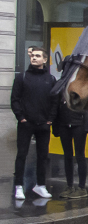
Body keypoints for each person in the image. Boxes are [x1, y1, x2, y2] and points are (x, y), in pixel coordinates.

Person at [11, 47, 58, 200]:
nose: (34, 58)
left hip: (43, 124)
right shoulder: (22, 77)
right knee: (22, 155)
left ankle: (40, 185)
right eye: (33, 56)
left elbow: (55, 101)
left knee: (43, 156)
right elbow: (15, 99)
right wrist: (21, 118)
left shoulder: (50, 79)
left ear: (45, 60)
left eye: (38, 56)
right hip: (26, 123)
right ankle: (18, 186)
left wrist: (50, 119)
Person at [54, 94, 88, 199]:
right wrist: (56, 127)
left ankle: (81, 188)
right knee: (67, 155)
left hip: (79, 123)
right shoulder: (62, 86)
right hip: (64, 123)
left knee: (80, 155)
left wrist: (87, 126)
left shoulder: (81, 85)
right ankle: (69, 186)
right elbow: (56, 106)